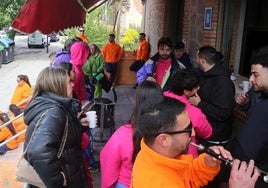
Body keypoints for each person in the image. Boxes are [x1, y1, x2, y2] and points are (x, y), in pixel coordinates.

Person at [131, 97, 233, 187]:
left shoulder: (153, 152)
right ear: (164, 140)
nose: (193, 132)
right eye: (187, 129)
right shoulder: (157, 183)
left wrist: (207, 163)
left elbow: (186, 177)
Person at [22, 67, 90, 187]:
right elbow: (38, 151)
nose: (73, 84)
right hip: (67, 178)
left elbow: (62, 138)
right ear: (58, 86)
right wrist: (57, 180)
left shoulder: (47, 105)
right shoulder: (54, 112)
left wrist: (78, 124)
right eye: (69, 82)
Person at [100, 80, 164, 188]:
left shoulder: (123, 134)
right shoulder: (167, 134)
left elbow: (107, 162)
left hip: (127, 183)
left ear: (137, 102)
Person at [227, 46, 268, 188]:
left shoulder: (264, 109)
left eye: (255, 74)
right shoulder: (260, 92)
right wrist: (244, 105)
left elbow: (243, 151)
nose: (250, 79)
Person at [189, 46, 235, 148]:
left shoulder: (223, 83)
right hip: (205, 132)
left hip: (215, 138)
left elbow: (223, 113)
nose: (196, 61)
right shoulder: (206, 76)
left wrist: (200, 104)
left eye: (197, 58)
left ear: (202, 60)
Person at [164, 69, 212, 157]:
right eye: (196, 87)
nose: (198, 88)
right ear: (186, 91)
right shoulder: (193, 112)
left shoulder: (161, 98)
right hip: (186, 155)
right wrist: (199, 104)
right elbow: (207, 132)